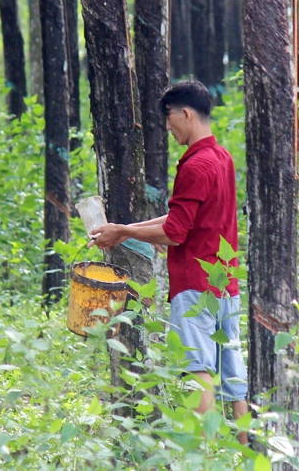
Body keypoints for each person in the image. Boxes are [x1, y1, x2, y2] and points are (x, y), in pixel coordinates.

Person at [90, 80, 249, 444]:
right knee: (232, 372)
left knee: (199, 370)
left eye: (169, 117)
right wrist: (124, 229)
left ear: (186, 114)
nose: (167, 126)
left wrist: (124, 233)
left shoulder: (194, 165)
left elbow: (176, 232)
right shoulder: (221, 159)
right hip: (225, 283)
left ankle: (203, 455)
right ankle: (244, 455)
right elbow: (181, 220)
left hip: (195, 283)